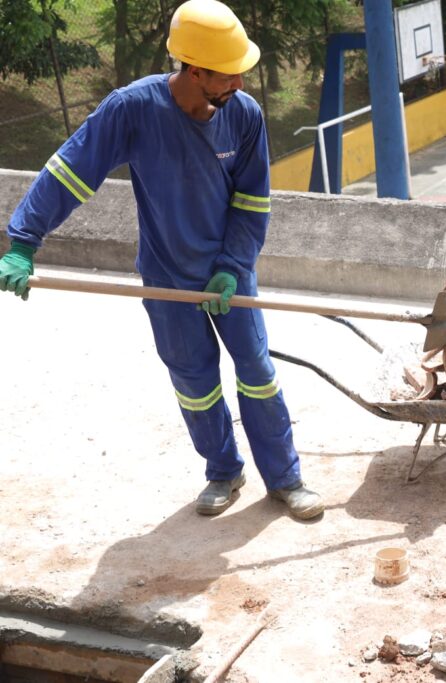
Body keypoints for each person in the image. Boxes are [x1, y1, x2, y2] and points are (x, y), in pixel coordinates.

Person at [0, 0, 323, 520]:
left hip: (229, 274)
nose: (239, 84)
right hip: (166, 275)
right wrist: (23, 242)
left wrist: (232, 265)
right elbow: (69, 172)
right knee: (194, 382)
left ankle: (285, 479)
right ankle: (223, 471)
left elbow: (253, 201)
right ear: (194, 69)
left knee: (257, 372)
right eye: (228, 74)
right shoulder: (132, 109)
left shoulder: (245, 116)